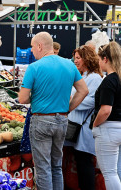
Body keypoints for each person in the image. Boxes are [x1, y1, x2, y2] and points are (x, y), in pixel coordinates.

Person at [18, 31, 88, 190]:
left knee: (43, 169)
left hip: (41, 121)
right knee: (56, 166)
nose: (31, 51)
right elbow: (83, 90)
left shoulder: (34, 67)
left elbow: (22, 99)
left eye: (32, 47)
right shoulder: (69, 64)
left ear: (40, 46)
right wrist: (67, 109)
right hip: (62, 121)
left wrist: (34, 98)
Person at [65, 45, 103, 190]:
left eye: (78, 58)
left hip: (85, 129)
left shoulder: (94, 78)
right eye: (75, 58)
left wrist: (71, 101)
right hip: (78, 127)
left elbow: (91, 102)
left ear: (87, 59)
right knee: (81, 164)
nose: (75, 61)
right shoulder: (83, 76)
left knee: (85, 164)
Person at [92, 42, 121, 189]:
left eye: (99, 59)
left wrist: (95, 124)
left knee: (109, 173)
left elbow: (105, 110)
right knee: (115, 172)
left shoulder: (110, 80)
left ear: (105, 59)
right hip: (118, 127)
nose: (98, 62)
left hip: (108, 128)